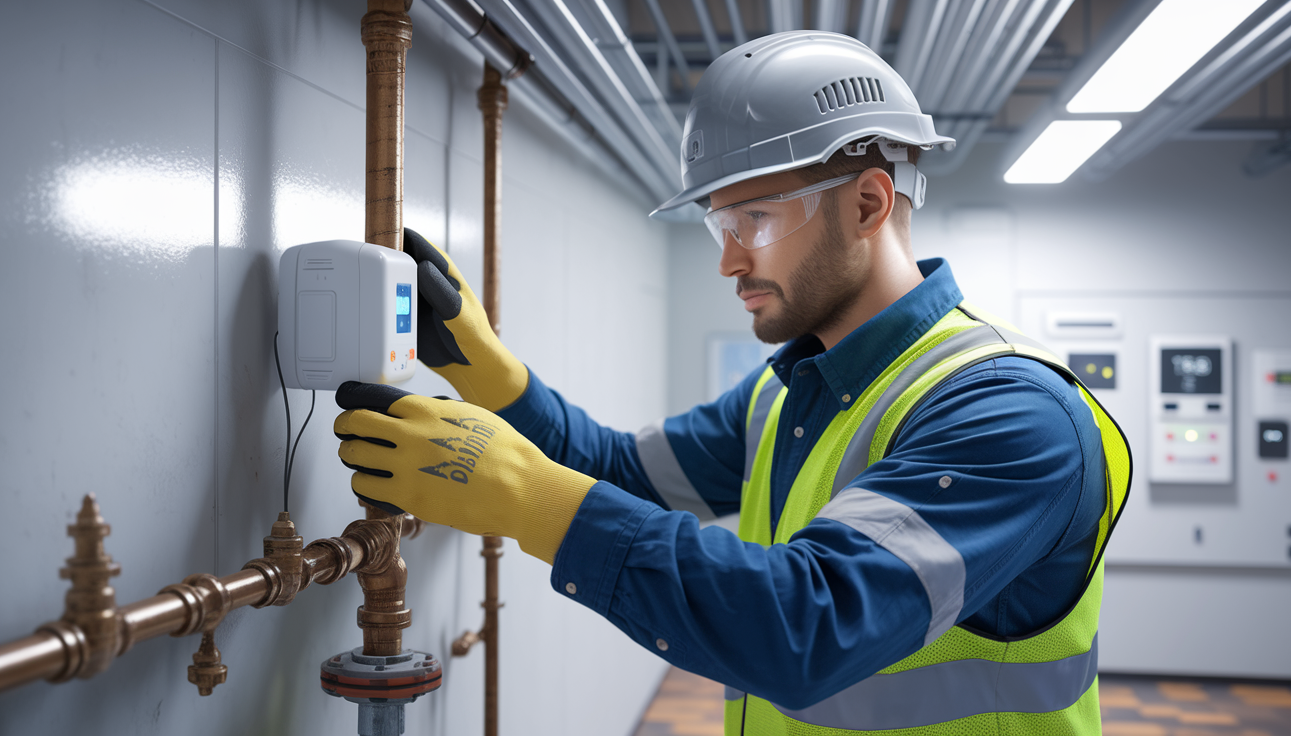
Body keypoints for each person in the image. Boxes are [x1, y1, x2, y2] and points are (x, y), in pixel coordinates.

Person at [333, 31, 1131, 735]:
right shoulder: (788, 391)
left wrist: (532, 500)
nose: (729, 259)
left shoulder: (1012, 414)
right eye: (721, 224)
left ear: (867, 203)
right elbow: (619, 473)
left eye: (756, 220)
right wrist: (490, 372)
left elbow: (805, 627)